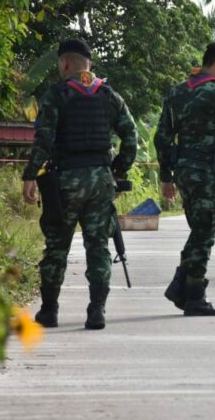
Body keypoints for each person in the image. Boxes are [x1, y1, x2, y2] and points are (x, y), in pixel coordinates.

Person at [22, 38, 137, 330]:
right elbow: (131, 137)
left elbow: (44, 139)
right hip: (101, 180)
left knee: (57, 246)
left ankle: (49, 311)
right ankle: (96, 310)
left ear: (64, 63)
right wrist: (117, 170)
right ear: (89, 65)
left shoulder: (57, 94)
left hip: (66, 181)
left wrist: (30, 175)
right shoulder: (110, 95)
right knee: (98, 245)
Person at [155, 42, 215, 316]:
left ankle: (181, 289)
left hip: (184, 171)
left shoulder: (177, 91)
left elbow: (162, 136)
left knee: (200, 229)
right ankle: (194, 296)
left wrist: (166, 176)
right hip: (207, 171)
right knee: (205, 231)